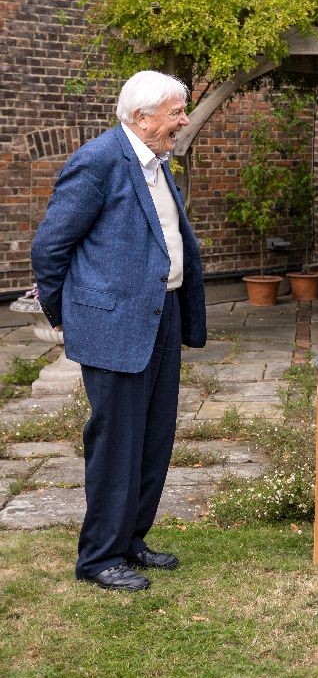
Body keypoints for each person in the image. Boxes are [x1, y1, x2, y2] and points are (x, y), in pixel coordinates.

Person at [31, 70, 207, 591]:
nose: (183, 120)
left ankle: (131, 540)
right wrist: (66, 315)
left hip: (161, 315)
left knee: (154, 437)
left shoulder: (156, 162)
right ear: (141, 117)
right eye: (176, 112)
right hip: (113, 324)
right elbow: (50, 248)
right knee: (116, 443)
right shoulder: (99, 160)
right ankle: (99, 558)